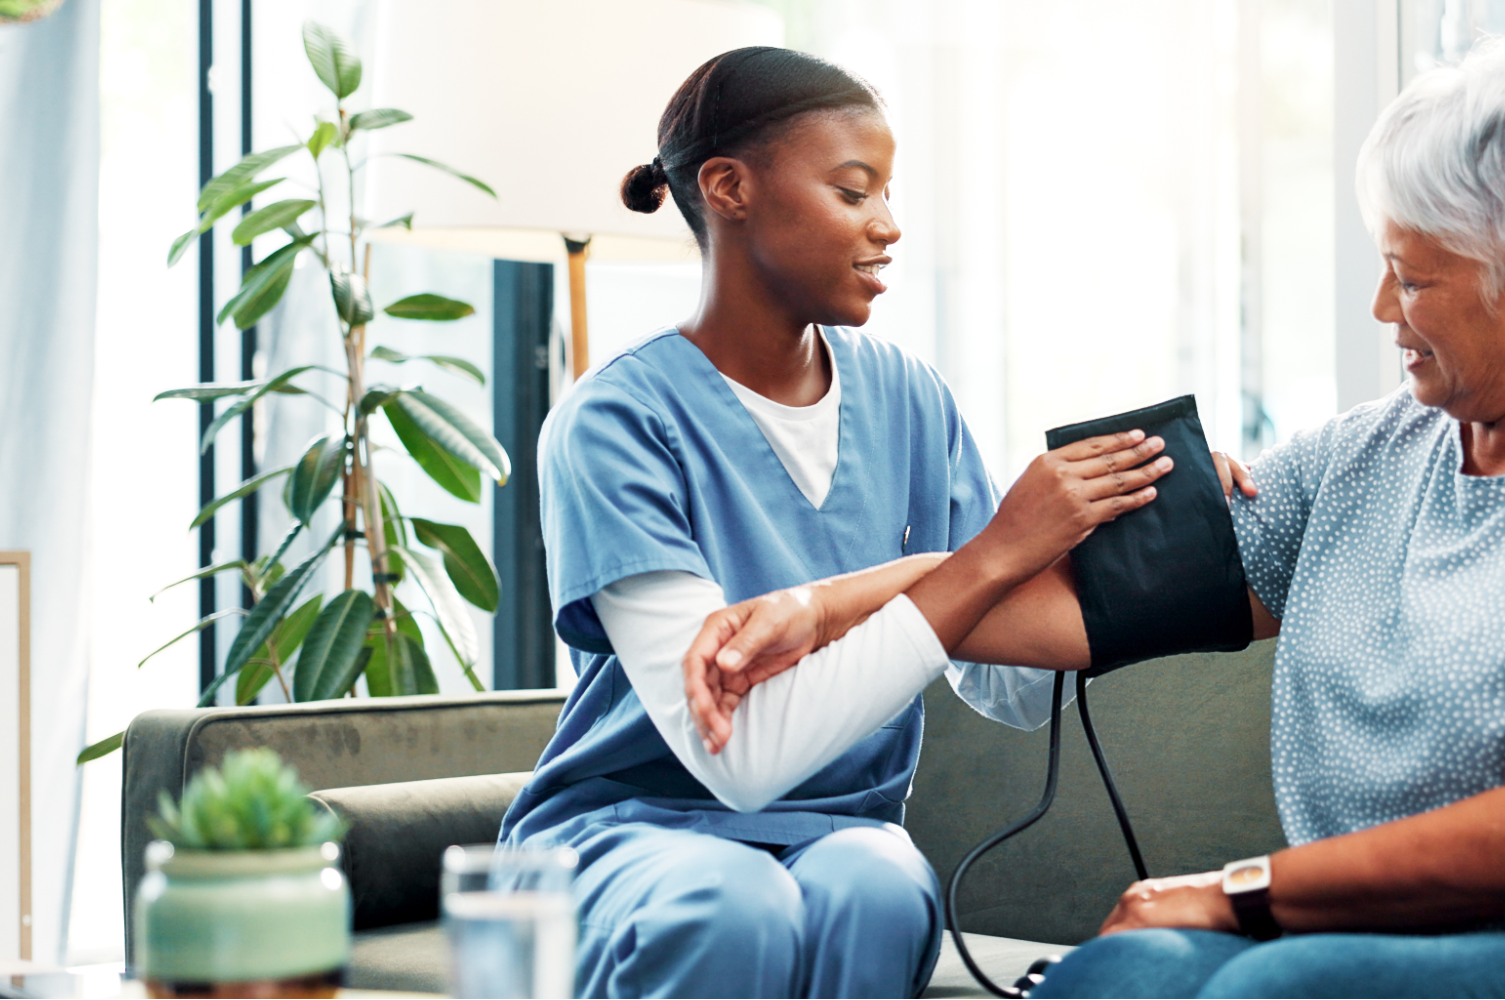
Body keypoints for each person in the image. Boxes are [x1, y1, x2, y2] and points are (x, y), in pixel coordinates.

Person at [685, 34, 1505, 1000]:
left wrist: (1234, 890)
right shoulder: (1371, 455)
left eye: (1416, 274)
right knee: (1113, 978)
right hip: (1392, 951)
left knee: (1262, 993)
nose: (1383, 306)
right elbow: (1070, 608)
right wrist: (820, 605)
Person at [496, 47, 1172, 1000]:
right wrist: (987, 556)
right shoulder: (614, 424)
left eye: (889, 194)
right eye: (855, 193)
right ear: (728, 188)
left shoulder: (909, 399)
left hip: (838, 832)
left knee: (881, 887)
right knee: (728, 901)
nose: (889, 227)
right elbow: (740, 758)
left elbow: (1008, 685)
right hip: (627, 830)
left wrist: (1133, 533)